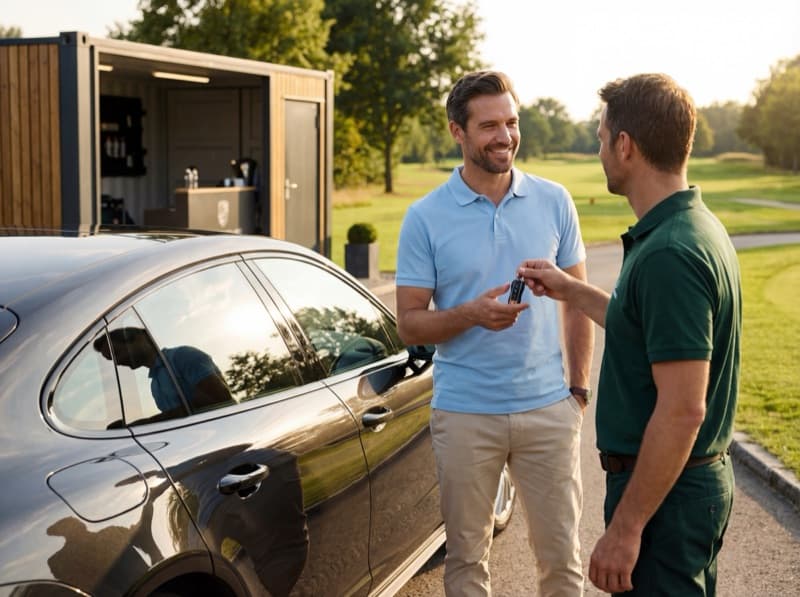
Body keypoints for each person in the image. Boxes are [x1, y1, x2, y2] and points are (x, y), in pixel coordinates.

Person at [517, 73, 741, 595]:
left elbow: (684, 408)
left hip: (667, 498)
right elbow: (639, 323)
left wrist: (626, 528)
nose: (599, 151)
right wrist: (569, 290)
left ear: (625, 145)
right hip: (679, 488)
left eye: (599, 138)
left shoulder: (669, 254)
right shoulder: (691, 226)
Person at [395, 70, 594, 596]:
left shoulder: (554, 201)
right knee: (466, 562)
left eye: (511, 122)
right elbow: (409, 322)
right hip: (464, 414)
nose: (504, 135)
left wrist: (577, 390)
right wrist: (470, 315)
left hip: (549, 410)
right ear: (458, 132)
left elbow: (578, 302)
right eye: (489, 126)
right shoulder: (424, 217)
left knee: (561, 561)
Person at [95, 326, 234, 414]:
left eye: (117, 353)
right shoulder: (155, 385)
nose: (117, 362)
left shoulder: (183, 356)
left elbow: (218, 397)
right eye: (111, 360)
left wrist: (146, 424)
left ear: (140, 339)